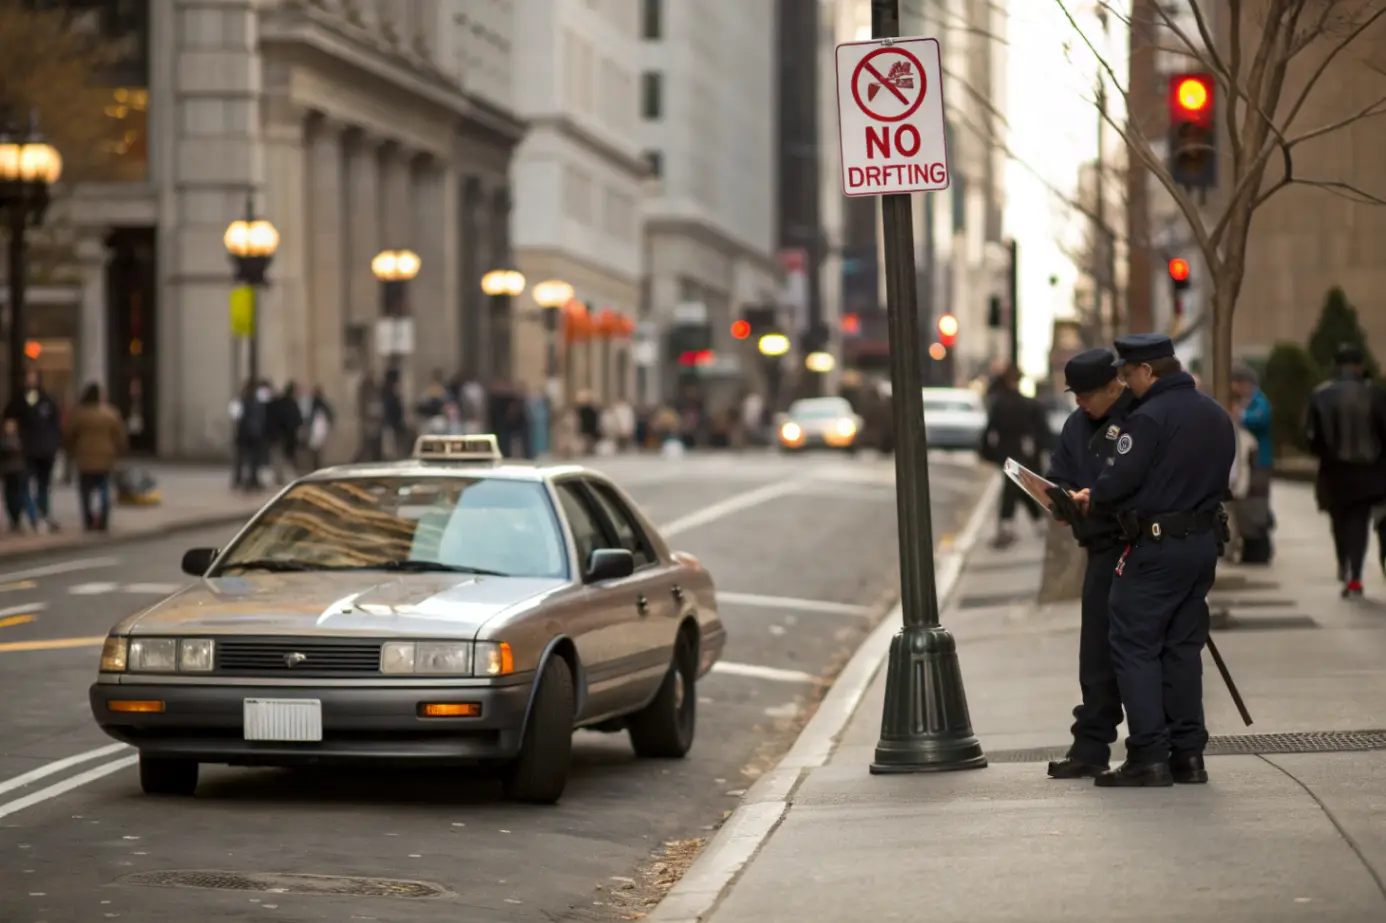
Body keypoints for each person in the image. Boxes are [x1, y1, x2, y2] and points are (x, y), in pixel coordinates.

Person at [1070, 333, 1235, 787]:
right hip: (1201, 545)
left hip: (1155, 548)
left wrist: (1093, 497)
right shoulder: (1216, 414)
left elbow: (1118, 482)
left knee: (1134, 644)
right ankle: (1188, 754)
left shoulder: (1149, 419)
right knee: (1182, 646)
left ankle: (1148, 754)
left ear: (1146, 371)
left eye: (1128, 374)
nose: (1126, 383)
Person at [1043, 348, 1136, 779]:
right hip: (1098, 546)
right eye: (1075, 395)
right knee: (1095, 652)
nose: (1079, 402)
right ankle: (1091, 744)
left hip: (1135, 546)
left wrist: (1096, 496)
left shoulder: (1139, 417)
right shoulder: (1077, 425)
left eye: (1086, 395)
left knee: (1136, 650)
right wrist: (1061, 497)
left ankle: (1152, 742)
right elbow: (1061, 471)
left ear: (1113, 386)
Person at [1303, 343, 1386, 597]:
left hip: (1333, 471)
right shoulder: (1375, 394)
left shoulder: (1320, 395)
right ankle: (1356, 575)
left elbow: (1310, 436)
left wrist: (1325, 455)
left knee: (1339, 520)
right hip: (1369, 473)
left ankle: (1344, 563)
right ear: (1360, 366)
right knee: (1358, 522)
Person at [980, 365, 1050, 547]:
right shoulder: (1030, 404)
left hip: (1006, 451)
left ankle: (1009, 524)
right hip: (1025, 452)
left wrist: (989, 452)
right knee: (1019, 485)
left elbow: (990, 430)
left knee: (1014, 486)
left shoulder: (999, 404)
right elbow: (1042, 432)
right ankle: (1031, 522)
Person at [61, 383, 127, 532]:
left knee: (85, 491)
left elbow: (68, 434)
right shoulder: (111, 414)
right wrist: (118, 452)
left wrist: (72, 450)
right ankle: (103, 519)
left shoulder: (79, 415)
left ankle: (88, 519)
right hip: (106, 458)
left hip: (84, 459)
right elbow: (120, 437)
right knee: (104, 488)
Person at [1229, 364, 1274, 563]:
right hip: (1247, 464)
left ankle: (1259, 550)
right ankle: (1250, 548)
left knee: (1256, 504)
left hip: (1259, 463)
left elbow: (1260, 419)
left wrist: (1240, 415)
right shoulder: (1245, 401)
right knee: (1246, 505)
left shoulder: (1259, 401)